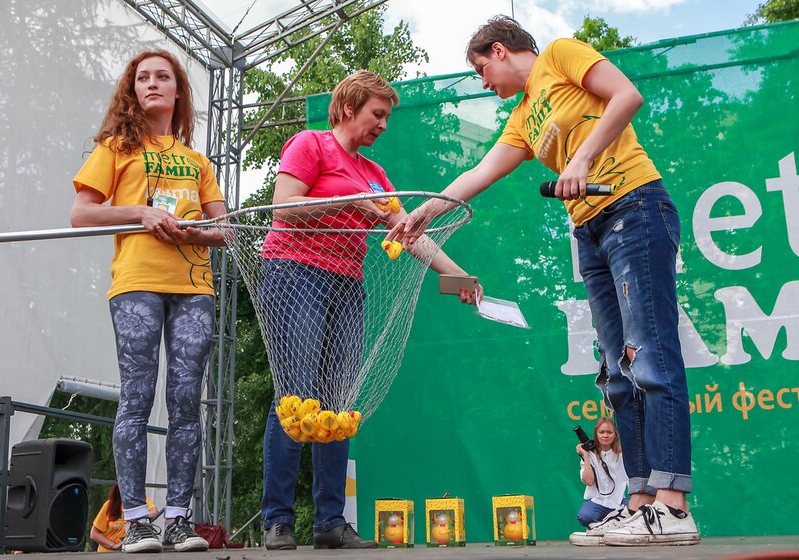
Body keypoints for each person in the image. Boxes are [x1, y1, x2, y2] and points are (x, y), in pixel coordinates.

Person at [392, 16, 700, 547]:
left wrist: (581, 156)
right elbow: (479, 173)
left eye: (481, 69)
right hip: (590, 232)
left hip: (635, 208)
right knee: (618, 373)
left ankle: (674, 507)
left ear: (499, 50)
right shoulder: (522, 119)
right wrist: (426, 213)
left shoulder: (559, 54)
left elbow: (626, 95)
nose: (483, 82)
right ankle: (641, 502)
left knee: (650, 357)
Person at [260, 70, 474, 551]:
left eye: (387, 117)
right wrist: (351, 201)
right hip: (294, 272)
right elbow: (283, 209)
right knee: (295, 394)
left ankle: (330, 523)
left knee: (340, 400)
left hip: (347, 282)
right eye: (378, 114)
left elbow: (408, 231)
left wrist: (455, 275)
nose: (383, 125)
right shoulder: (310, 144)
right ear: (348, 108)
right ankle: (277, 519)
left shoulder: (375, 174)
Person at [70, 49, 227, 553]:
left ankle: (179, 517)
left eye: (163, 77)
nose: (153, 84)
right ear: (132, 91)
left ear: (178, 90)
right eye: (143, 78)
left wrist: (193, 231)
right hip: (137, 280)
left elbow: (223, 230)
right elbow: (81, 214)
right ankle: (136, 520)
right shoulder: (115, 147)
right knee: (136, 397)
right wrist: (142, 213)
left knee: (186, 400)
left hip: (194, 286)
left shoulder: (199, 160)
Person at [575, 417, 628, 529]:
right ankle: (607, 524)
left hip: (618, 501)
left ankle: (607, 524)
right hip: (597, 501)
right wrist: (585, 455)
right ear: (596, 434)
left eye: (609, 432)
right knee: (585, 516)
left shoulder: (622, 454)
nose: (605, 435)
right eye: (601, 432)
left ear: (615, 435)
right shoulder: (590, 455)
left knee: (636, 511)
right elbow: (589, 481)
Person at [90, 486, 158, 552]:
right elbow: (94, 534)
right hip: (108, 553)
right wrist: (113, 545)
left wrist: (135, 518)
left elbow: (154, 512)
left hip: (131, 551)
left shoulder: (142, 500)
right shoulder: (109, 505)